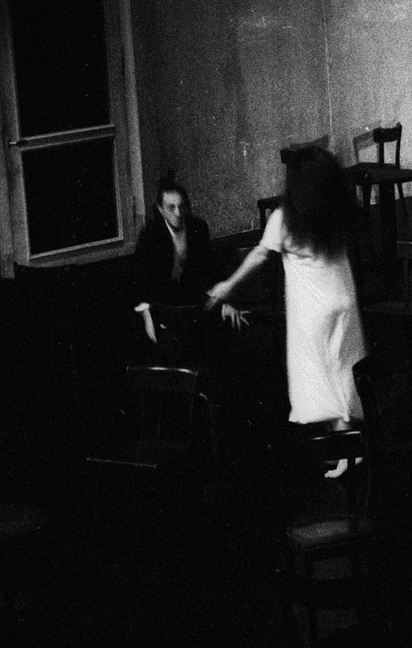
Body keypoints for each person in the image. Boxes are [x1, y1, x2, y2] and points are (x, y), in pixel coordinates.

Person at [207, 147, 366, 475]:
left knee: (323, 380)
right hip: (344, 301)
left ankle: (344, 451)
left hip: (314, 311)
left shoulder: (286, 218)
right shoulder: (337, 210)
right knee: (345, 373)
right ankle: (352, 447)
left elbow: (261, 255)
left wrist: (229, 284)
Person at [133, 173, 244, 359]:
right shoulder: (150, 235)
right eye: (171, 207)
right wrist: (148, 316)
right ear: (160, 209)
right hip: (162, 305)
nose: (178, 212)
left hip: (191, 302)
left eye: (181, 206)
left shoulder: (197, 228)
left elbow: (208, 271)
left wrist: (222, 303)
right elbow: (143, 282)